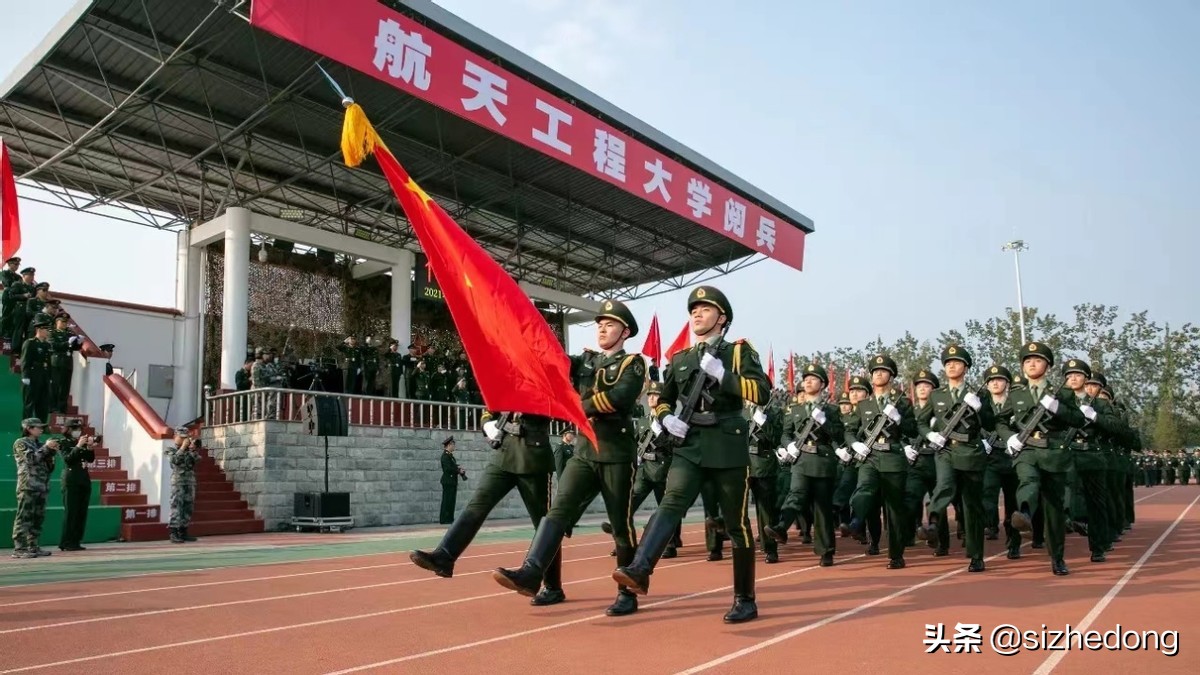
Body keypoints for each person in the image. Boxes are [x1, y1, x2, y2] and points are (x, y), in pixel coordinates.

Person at [612, 286, 770, 623]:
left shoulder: (738, 353)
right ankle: (640, 568)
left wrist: (723, 376)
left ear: (722, 318)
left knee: (737, 524)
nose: (697, 314)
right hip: (690, 444)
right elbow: (664, 397)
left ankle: (745, 598)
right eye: (693, 309)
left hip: (728, 443)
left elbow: (762, 392)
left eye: (705, 309)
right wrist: (666, 417)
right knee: (671, 503)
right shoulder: (681, 358)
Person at [493, 299, 645, 617]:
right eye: (600, 324)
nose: (603, 328)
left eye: (611, 324)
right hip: (584, 451)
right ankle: (532, 573)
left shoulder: (633, 363)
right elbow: (554, 362)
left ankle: (626, 592)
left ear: (625, 331)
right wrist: (526, 330)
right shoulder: (585, 360)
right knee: (557, 513)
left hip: (615, 453)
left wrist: (576, 403)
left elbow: (619, 398)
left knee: (620, 524)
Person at [411, 413, 563, 605]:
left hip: (534, 458)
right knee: (478, 503)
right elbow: (490, 409)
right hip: (503, 454)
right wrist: (487, 424)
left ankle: (552, 587)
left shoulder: (545, 383)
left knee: (544, 525)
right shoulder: (510, 383)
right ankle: (445, 556)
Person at [998, 341, 1086, 576]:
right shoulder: (1017, 394)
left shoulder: (1062, 393)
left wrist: (1058, 408)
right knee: (1028, 480)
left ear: (1047, 365)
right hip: (1026, 449)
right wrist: (1010, 437)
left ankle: (1057, 557)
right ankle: (1024, 513)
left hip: (1054, 453)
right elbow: (1001, 421)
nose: (1031, 364)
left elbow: (1078, 420)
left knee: (1054, 509)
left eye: (1037, 360)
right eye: (1027, 361)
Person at [920, 345, 996, 573]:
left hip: (971, 452)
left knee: (971, 506)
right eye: (947, 363)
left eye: (956, 362)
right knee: (944, 485)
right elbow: (921, 422)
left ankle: (976, 556)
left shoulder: (977, 394)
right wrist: (930, 434)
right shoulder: (937, 395)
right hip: (946, 452)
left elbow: (991, 424)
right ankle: (933, 522)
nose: (951, 366)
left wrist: (980, 408)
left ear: (966, 367)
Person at [842, 354, 917, 569]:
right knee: (864, 488)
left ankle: (896, 554)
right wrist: (855, 444)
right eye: (875, 372)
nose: (878, 374)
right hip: (870, 456)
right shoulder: (864, 404)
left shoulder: (902, 402)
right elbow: (850, 430)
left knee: (894, 510)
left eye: (883, 371)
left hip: (893, 458)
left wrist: (899, 418)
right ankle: (856, 521)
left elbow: (912, 430)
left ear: (891, 376)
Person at [767, 363, 844, 566]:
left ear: (823, 384)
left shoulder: (831, 410)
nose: (808, 381)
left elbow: (838, 435)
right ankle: (782, 526)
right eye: (806, 378)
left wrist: (824, 422)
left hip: (822, 460)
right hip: (801, 459)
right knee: (795, 494)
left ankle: (826, 550)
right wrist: (789, 445)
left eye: (813, 378)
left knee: (822, 508)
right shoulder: (795, 409)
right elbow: (785, 434)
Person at [11, 418, 60, 559]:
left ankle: (33, 546)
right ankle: (19, 548)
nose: (41, 429)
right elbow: (31, 459)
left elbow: (49, 467)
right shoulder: (21, 443)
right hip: (28, 485)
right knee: (24, 516)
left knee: (38, 517)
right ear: (29, 428)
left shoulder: (39, 444)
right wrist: (46, 448)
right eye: (38, 427)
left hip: (42, 485)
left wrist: (51, 452)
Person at [58, 419, 96, 551]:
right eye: (74, 428)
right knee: (71, 511)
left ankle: (76, 540)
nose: (77, 431)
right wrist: (79, 446)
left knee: (81, 511)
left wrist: (90, 447)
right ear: (68, 429)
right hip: (71, 479)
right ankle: (66, 541)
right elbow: (68, 459)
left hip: (83, 478)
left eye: (79, 428)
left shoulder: (79, 442)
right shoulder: (63, 442)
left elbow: (90, 459)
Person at [165, 426, 202, 544]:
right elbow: (174, 460)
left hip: (190, 481)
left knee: (188, 507)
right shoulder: (170, 450)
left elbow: (197, 460)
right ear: (175, 437)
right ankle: (174, 532)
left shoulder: (189, 451)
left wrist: (193, 449)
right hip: (178, 482)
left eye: (186, 438)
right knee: (177, 506)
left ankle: (183, 531)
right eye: (181, 437)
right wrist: (183, 447)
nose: (184, 440)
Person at [49, 313, 84, 414]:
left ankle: (62, 408)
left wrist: (79, 343)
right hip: (57, 361)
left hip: (67, 362)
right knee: (56, 385)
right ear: (57, 322)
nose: (64, 324)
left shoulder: (69, 334)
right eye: (62, 322)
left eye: (66, 322)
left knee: (65, 387)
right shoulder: (52, 333)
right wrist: (67, 343)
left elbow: (75, 348)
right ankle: (53, 407)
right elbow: (53, 346)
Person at [20, 316, 54, 421]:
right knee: (30, 402)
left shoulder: (47, 345)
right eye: (46, 329)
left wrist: (50, 376)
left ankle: (42, 424)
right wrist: (25, 376)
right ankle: (27, 425)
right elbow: (25, 360)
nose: (47, 332)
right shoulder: (30, 343)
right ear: (39, 329)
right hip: (33, 375)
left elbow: (49, 362)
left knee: (43, 402)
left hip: (44, 376)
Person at [439, 437, 466, 523]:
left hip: (452, 481)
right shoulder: (445, 456)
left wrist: (458, 469)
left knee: (451, 501)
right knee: (447, 500)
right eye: (453, 445)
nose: (454, 447)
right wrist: (458, 470)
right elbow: (448, 469)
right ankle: (445, 519)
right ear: (449, 445)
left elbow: (452, 467)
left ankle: (450, 518)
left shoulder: (450, 456)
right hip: (448, 481)